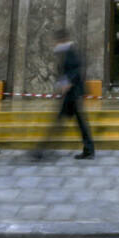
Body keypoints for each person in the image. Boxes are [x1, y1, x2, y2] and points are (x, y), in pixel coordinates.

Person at [35, 27, 93, 159]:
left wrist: (68, 84)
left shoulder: (71, 52)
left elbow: (76, 70)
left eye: (56, 41)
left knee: (61, 122)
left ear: (62, 40)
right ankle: (88, 149)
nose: (55, 44)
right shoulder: (66, 52)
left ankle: (42, 149)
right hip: (71, 94)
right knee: (76, 123)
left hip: (72, 94)